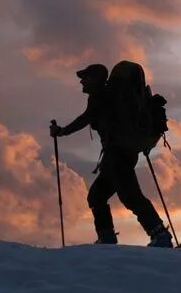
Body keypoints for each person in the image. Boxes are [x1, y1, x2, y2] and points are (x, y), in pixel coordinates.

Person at [51, 64, 172, 247]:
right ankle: (107, 237)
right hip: (118, 155)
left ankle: (160, 235)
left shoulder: (100, 97)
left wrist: (61, 132)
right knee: (97, 196)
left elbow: (84, 119)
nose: (82, 81)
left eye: (86, 77)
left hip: (118, 156)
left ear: (97, 79)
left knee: (131, 197)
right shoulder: (110, 96)